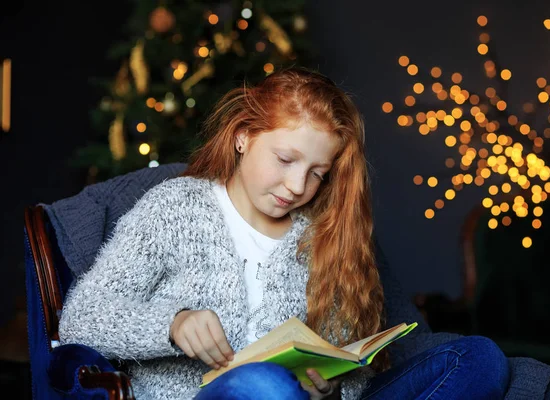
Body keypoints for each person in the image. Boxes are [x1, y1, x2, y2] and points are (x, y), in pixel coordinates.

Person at [58, 67, 509, 400]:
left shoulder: (321, 237)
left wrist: (330, 392)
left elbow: (348, 371)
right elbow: (82, 317)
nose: (298, 187)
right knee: (262, 383)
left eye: (317, 173)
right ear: (243, 136)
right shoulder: (175, 207)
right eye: (286, 159)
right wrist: (173, 324)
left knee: (480, 358)